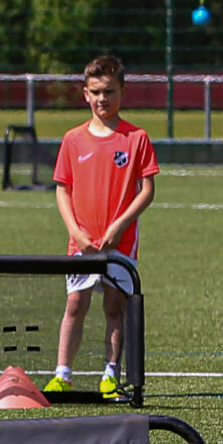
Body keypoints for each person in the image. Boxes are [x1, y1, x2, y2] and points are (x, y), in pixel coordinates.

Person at [48, 54, 158, 398]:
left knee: (114, 307)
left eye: (109, 91)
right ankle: (62, 375)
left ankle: (110, 376)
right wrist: (76, 232)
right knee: (74, 306)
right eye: (95, 92)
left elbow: (147, 191)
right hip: (81, 243)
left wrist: (120, 226)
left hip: (120, 244)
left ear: (123, 92)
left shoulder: (136, 138)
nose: (102, 99)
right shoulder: (72, 139)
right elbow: (62, 189)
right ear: (85, 94)